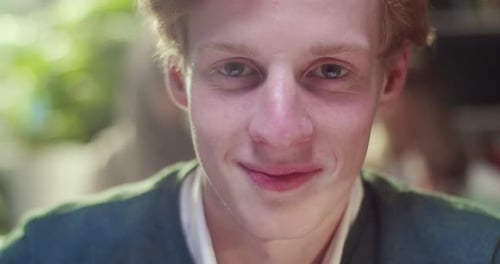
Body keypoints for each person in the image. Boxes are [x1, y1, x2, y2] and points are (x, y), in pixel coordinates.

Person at [1, 0, 499, 263]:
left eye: (329, 71)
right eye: (236, 69)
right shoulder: (50, 257)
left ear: (390, 78)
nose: (280, 133)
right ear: (179, 79)